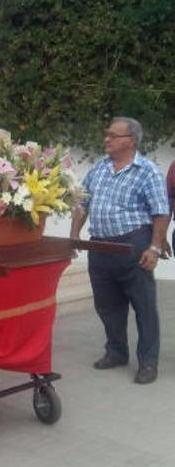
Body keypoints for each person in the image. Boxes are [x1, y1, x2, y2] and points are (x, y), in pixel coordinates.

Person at [70, 117, 169, 385]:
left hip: (133, 245)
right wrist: (74, 234)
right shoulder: (99, 168)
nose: (107, 139)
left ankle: (147, 362)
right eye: (107, 135)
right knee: (107, 305)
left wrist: (154, 247)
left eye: (113, 135)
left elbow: (160, 212)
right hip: (100, 246)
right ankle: (116, 351)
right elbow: (82, 201)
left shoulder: (147, 171)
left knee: (144, 306)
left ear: (131, 141)